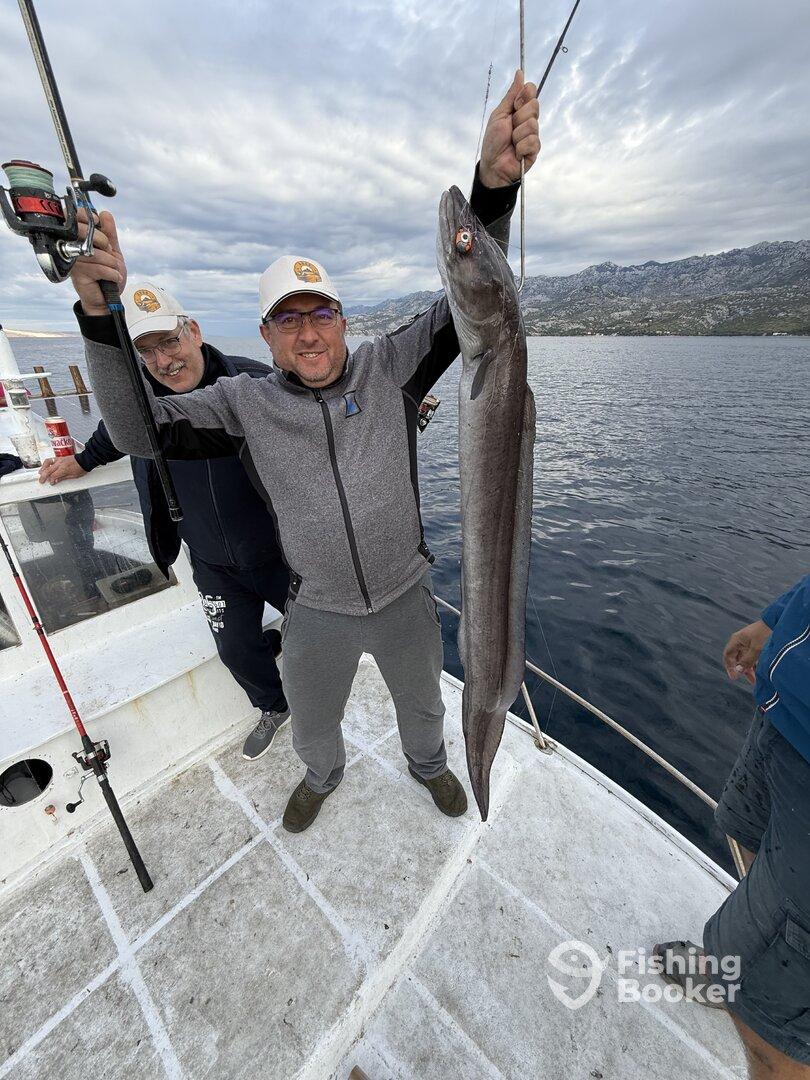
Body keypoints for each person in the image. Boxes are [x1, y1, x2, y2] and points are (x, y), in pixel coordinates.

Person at [70, 71, 541, 834]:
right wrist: (100, 316)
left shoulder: (392, 366)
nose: (309, 332)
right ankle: (323, 776)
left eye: (319, 312)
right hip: (314, 608)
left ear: (343, 318)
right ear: (264, 338)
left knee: (425, 706)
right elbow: (136, 433)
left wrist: (492, 188)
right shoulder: (241, 403)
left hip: (404, 599)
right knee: (311, 719)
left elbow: (473, 303)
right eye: (286, 322)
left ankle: (429, 767)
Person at [40, 285, 292, 761]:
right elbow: (116, 432)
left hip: (281, 551)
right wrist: (84, 461)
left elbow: (316, 413)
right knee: (236, 649)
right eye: (146, 351)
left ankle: (318, 691)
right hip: (212, 560)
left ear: (193, 332)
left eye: (169, 342)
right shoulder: (140, 405)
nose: (163, 360)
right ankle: (272, 707)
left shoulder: (255, 382)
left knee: (316, 636)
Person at [655, 575, 810, 1078]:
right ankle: (738, 970)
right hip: (781, 709)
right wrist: (778, 620)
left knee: (776, 1035)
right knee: (743, 829)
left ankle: (760, 1001)